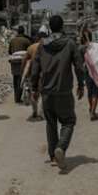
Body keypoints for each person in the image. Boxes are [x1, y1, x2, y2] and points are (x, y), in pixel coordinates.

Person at [31, 15, 86, 172]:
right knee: (68, 121)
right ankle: (60, 148)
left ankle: (53, 157)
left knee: (51, 123)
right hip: (64, 91)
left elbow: (35, 70)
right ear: (62, 27)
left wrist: (34, 89)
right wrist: (81, 85)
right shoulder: (70, 43)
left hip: (46, 92)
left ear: (50, 27)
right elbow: (79, 66)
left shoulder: (42, 45)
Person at [23, 31, 47, 121]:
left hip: (33, 72)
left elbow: (25, 60)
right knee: (43, 93)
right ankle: (41, 112)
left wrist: (23, 72)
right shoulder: (48, 47)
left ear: (37, 38)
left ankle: (34, 111)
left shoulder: (31, 47)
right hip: (45, 73)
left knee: (34, 91)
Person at [8, 26, 31, 104]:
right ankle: (18, 98)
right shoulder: (26, 41)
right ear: (23, 32)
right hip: (22, 62)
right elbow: (29, 51)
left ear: (17, 32)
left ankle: (16, 98)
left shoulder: (12, 40)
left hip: (14, 62)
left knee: (15, 79)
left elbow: (9, 51)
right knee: (21, 79)